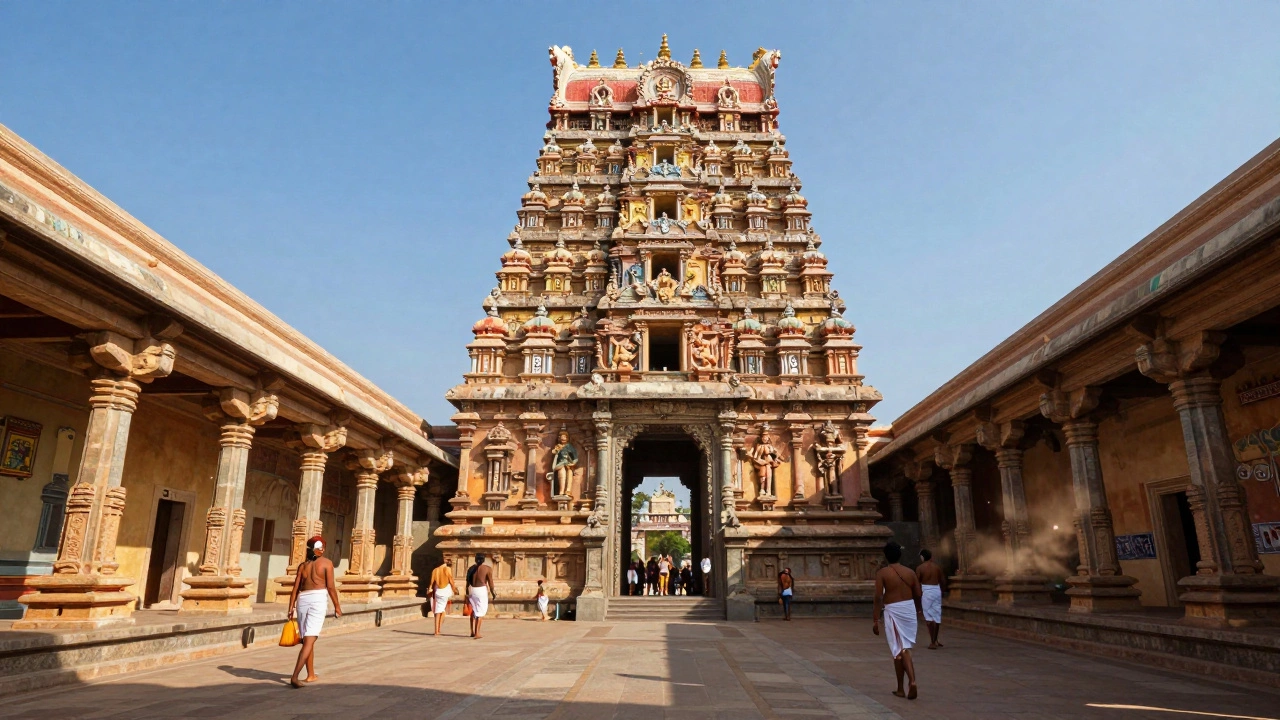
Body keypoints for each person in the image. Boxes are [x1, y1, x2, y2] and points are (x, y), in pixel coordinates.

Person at [287, 536, 342, 689]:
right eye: (321, 547)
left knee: (307, 640)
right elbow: (331, 587)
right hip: (317, 599)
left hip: (302, 600)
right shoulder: (327, 563)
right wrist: (337, 606)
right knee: (309, 640)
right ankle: (295, 676)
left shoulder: (303, 566)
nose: (323, 549)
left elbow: (295, 588)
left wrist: (291, 607)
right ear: (317, 548)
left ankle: (310, 674)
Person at [873, 541, 921, 700]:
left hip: (893, 610)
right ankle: (900, 688)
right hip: (909, 610)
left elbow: (878, 596)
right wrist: (918, 609)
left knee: (899, 650)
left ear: (886, 556)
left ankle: (912, 682)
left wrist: (875, 619)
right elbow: (918, 593)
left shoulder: (883, 573)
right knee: (903, 648)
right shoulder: (910, 572)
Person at [917, 549, 946, 649]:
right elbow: (942, 580)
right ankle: (936, 639)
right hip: (936, 589)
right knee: (937, 615)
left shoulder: (920, 568)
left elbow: (917, 581)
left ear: (922, 557)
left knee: (928, 616)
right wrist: (942, 592)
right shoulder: (937, 567)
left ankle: (932, 642)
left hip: (926, 590)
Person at [466, 552, 496, 639]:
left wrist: (467, 594)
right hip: (481, 590)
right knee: (480, 612)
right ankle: (477, 633)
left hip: (472, 590)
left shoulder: (471, 568)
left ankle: (472, 631)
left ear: (475, 559)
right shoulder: (487, 568)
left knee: (474, 611)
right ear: (483, 560)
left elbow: (467, 582)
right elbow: (490, 582)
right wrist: (493, 592)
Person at [428, 557, 457, 636]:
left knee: (441, 610)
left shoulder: (435, 570)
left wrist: (430, 591)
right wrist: (454, 589)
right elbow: (451, 580)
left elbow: (431, 583)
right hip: (445, 592)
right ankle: (436, 631)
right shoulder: (447, 569)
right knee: (439, 611)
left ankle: (438, 629)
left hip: (438, 591)